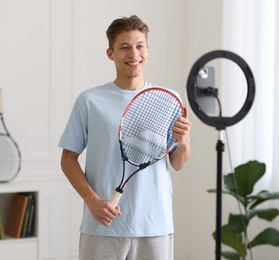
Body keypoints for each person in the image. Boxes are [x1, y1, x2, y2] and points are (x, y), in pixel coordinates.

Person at [58, 15, 191, 260]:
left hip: (155, 226)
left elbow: (178, 163)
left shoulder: (170, 99)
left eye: (140, 46)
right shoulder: (89, 101)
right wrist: (93, 201)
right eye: (125, 47)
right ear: (110, 53)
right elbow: (68, 159)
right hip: (103, 226)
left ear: (148, 50)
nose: (134, 54)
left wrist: (183, 141)